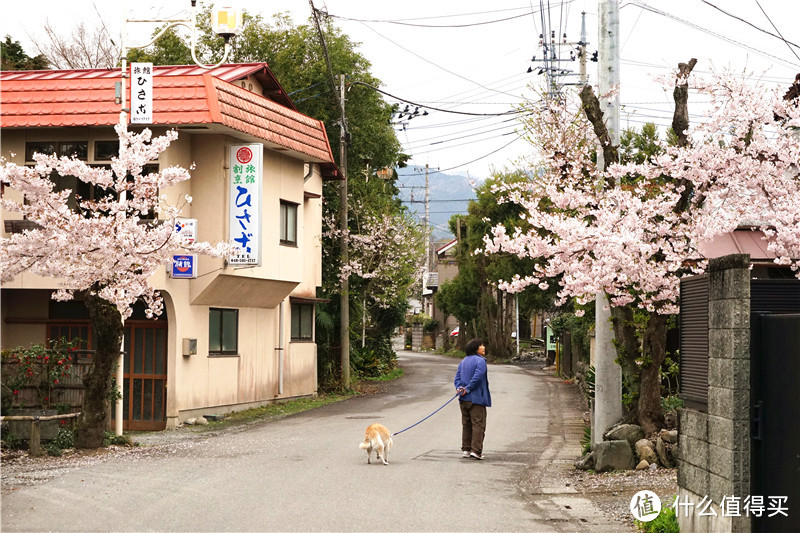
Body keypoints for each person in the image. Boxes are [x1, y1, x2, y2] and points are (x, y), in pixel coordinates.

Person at [454, 338, 492, 460]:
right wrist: (468, 388)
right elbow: (477, 377)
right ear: (476, 348)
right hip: (476, 399)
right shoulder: (480, 361)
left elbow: (457, 378)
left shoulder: (463, 361)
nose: (484, 347)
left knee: (467, 424)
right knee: (478, 425)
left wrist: (460, 388)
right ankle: (476, 450)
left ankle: (466, 449)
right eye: (482, 345)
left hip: (463, 399)